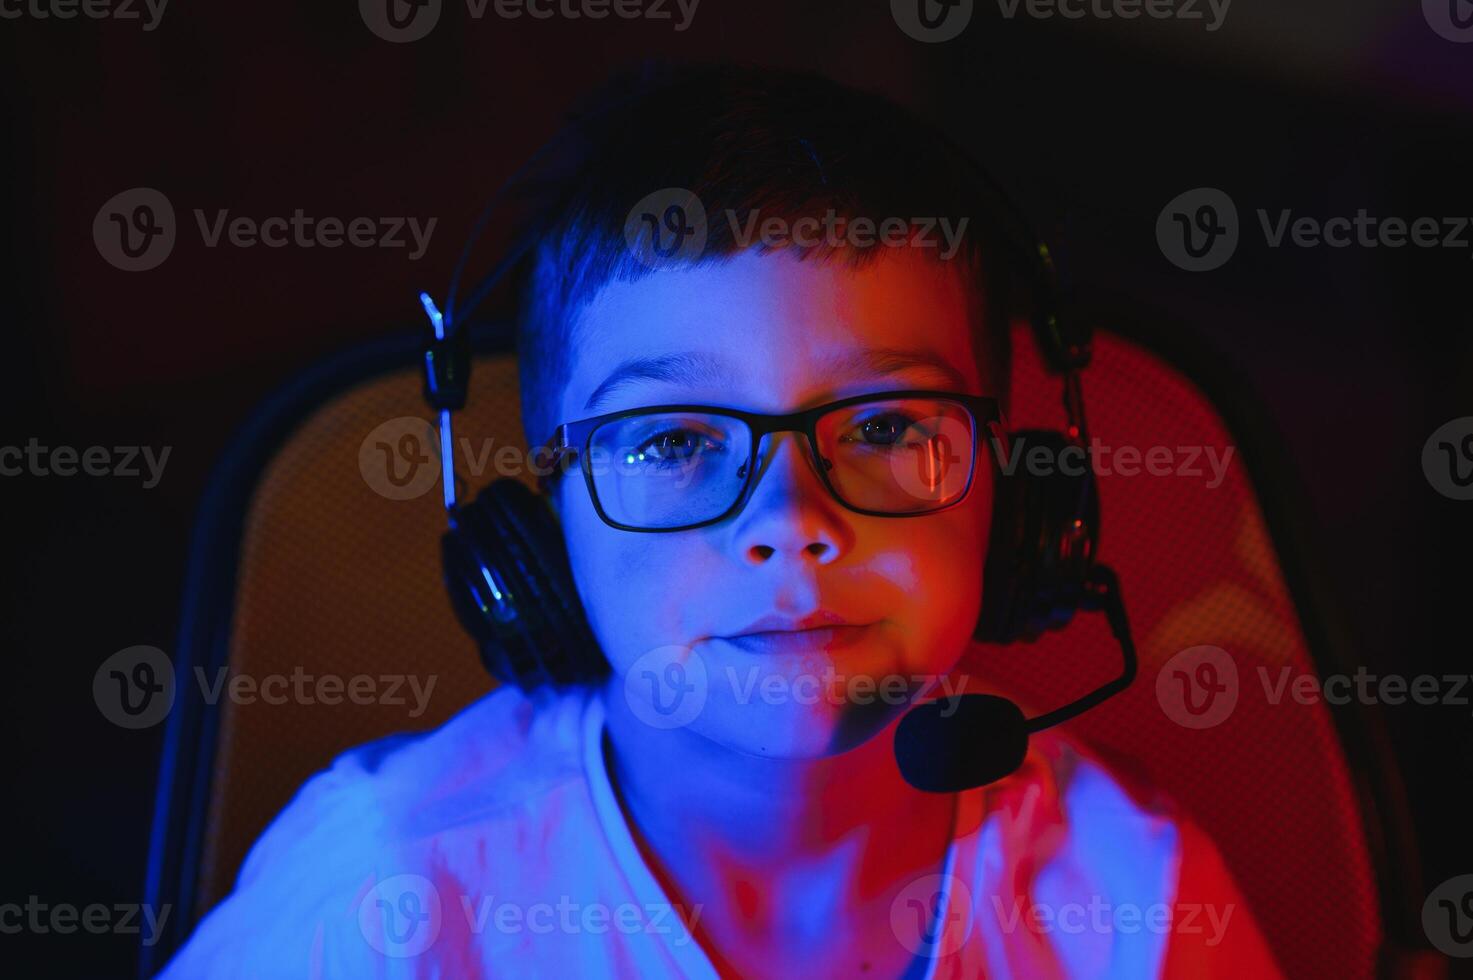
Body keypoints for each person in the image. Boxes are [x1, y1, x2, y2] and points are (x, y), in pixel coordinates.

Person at [158, 63, 1282, 978]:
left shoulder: (1133, 899)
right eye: (674, 441)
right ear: (540, 539)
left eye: (887, 426)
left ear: (1022, 494)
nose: (789, 522)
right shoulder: (382, 896)